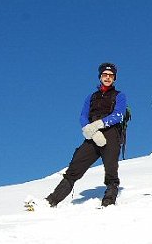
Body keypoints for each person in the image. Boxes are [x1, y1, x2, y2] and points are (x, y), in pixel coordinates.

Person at [46, 62, 128, 208]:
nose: (107, 78)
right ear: (100, 77)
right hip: (92, 134)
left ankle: (109, 202)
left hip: (111, 134)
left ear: (114, 78)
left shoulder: (119, 96)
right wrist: (89, 129)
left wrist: (99, 124)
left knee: (110, 169)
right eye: (105, 75)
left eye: (111, 75)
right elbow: (83, 116)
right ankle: (52, 200)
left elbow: (119, 115)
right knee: (75, 166)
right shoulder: (91, 97)